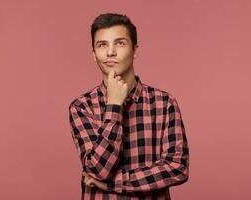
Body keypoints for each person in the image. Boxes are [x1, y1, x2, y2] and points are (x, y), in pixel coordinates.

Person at [68, 13, 189, 199]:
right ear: (94, 54)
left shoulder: (164, 103)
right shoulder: (82, 107)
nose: (110, 52)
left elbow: (177, 167)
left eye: (120, 43)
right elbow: (98, 170)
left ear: (135, 50)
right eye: (102, 45)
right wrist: (114, 106)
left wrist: (115, 183)